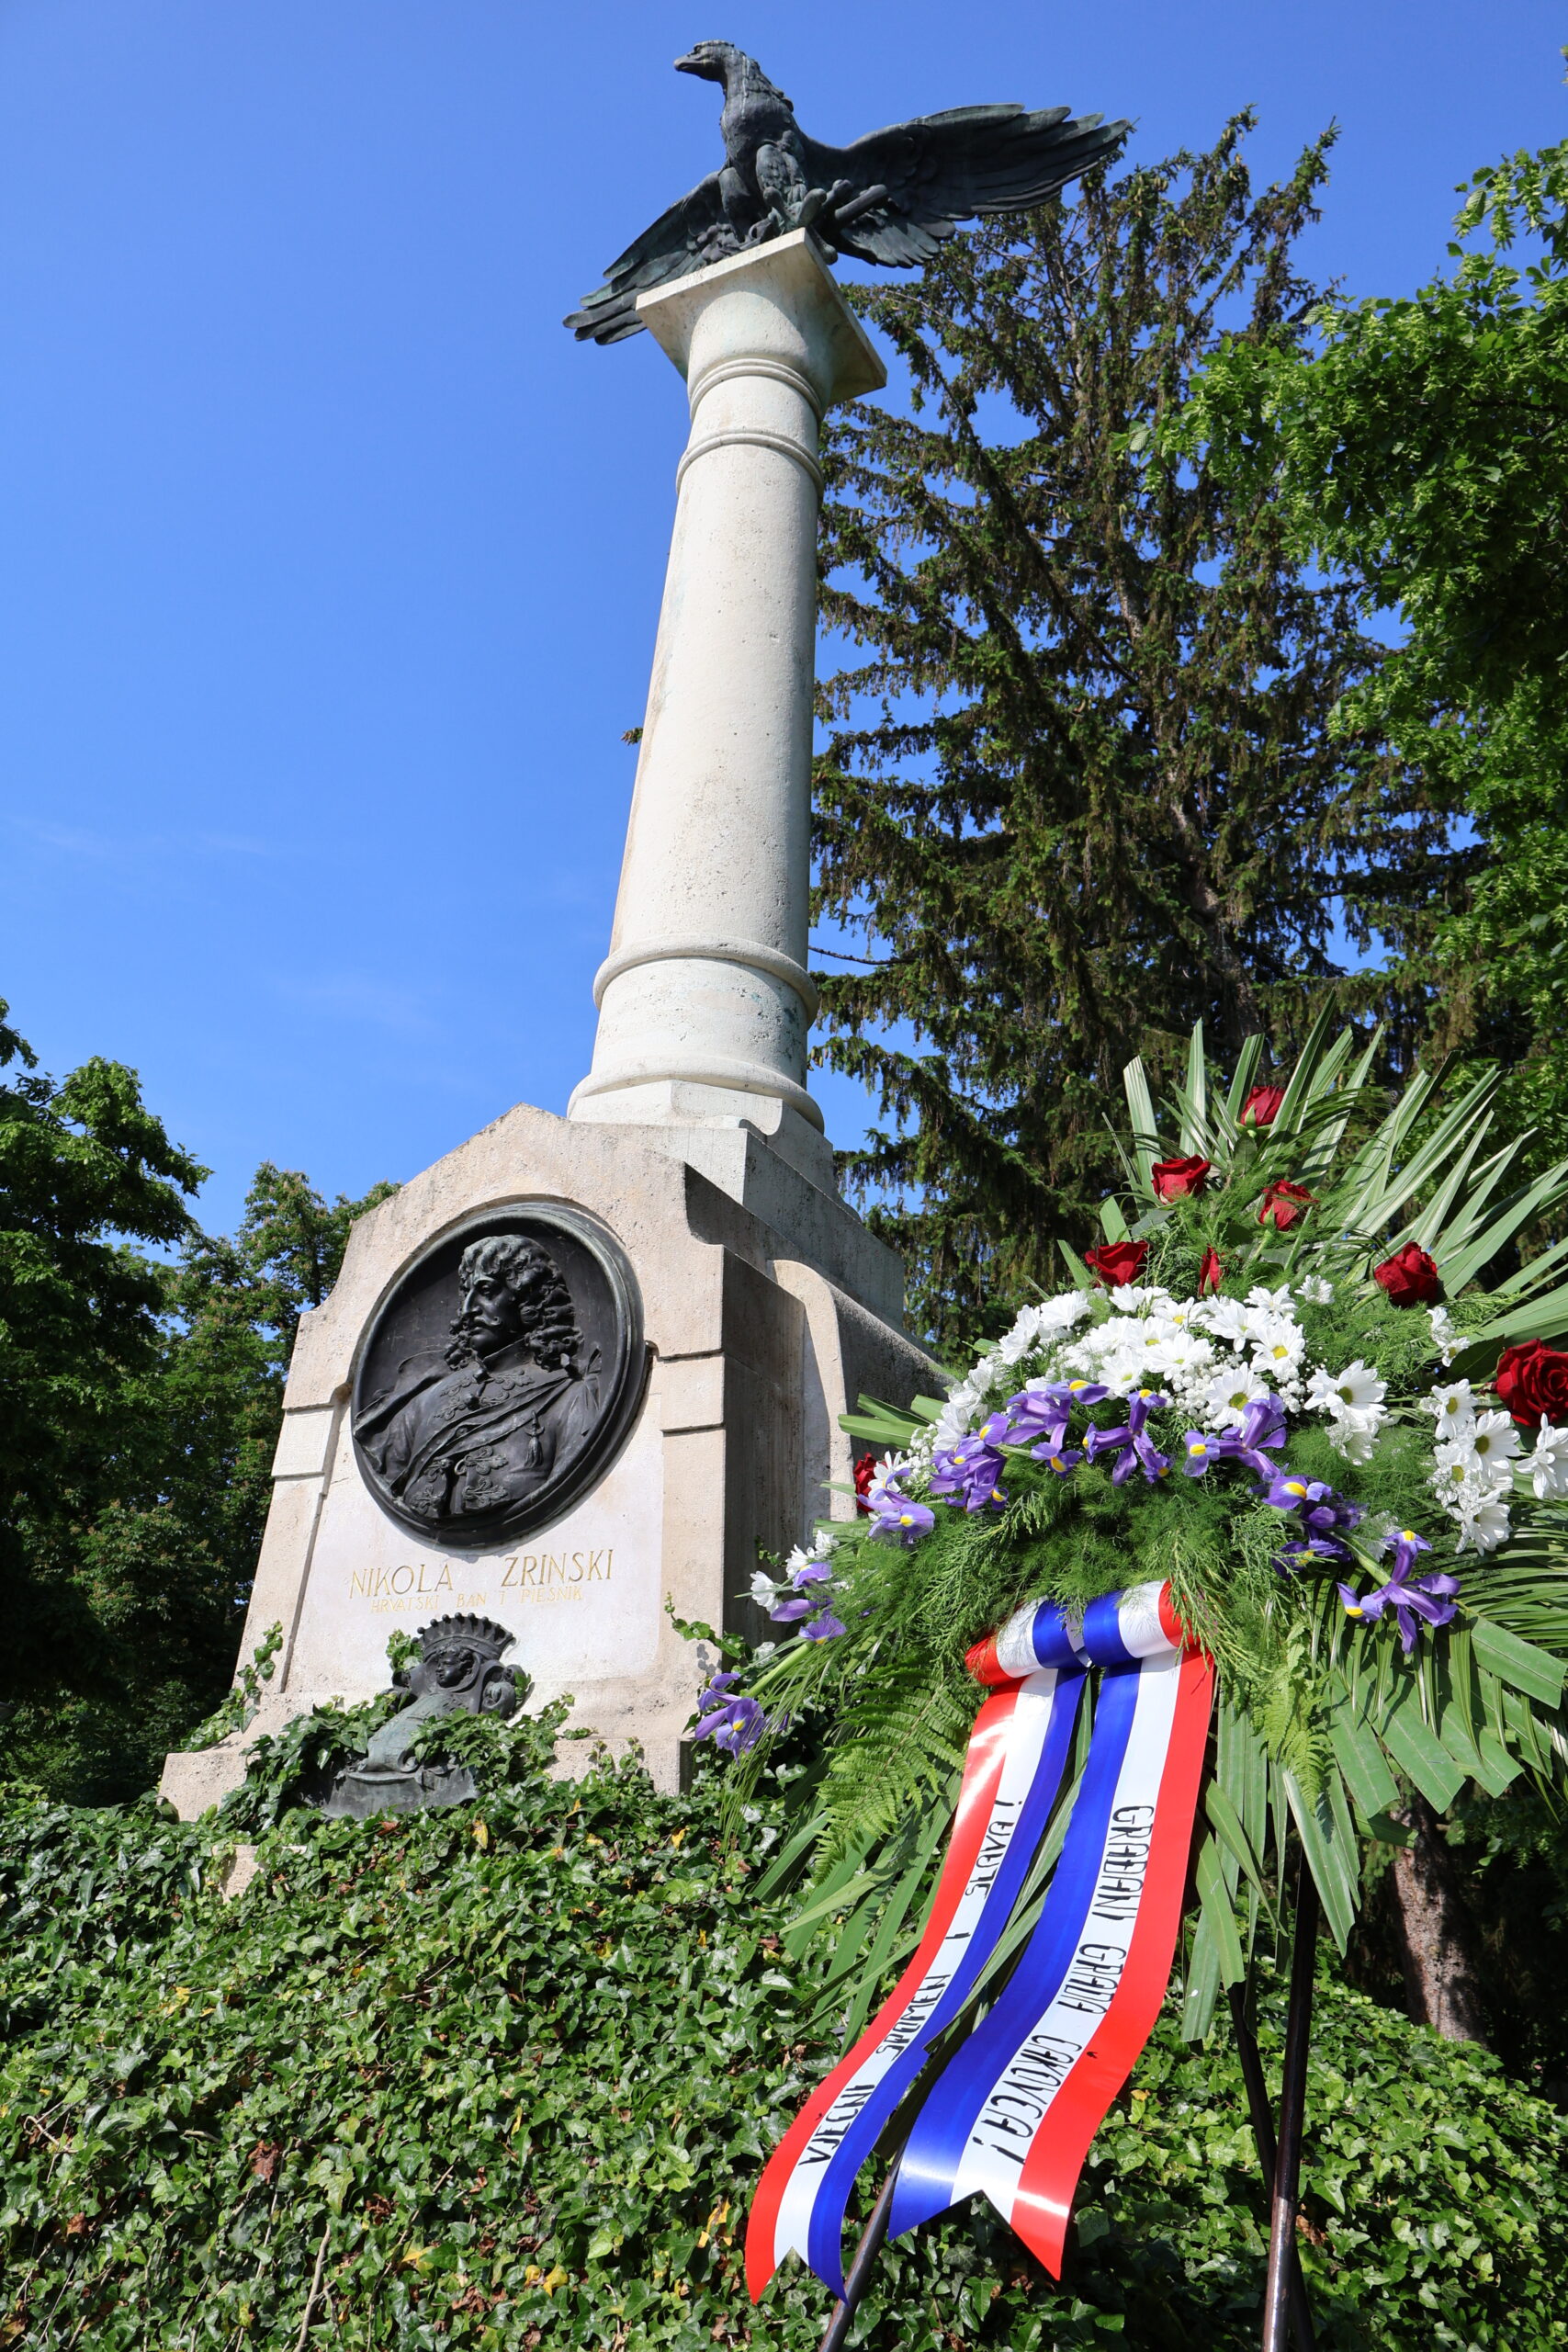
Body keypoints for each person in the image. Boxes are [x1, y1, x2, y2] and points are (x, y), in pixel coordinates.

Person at [355, 1233, 599, 1528]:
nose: (469, 1308)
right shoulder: (421, 1403)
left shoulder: (569, 1397)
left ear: (527, 1297)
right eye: (467, 1293)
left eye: (487, 1290)